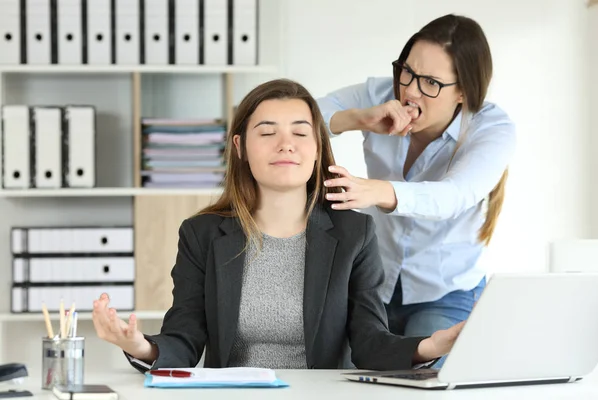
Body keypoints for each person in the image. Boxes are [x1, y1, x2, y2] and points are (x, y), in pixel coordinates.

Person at [91, 78, 465, 371]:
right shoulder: (201, 234)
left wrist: (430, 346)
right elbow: (185, 338)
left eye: (301, 133)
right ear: (240, 147)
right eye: (267, 132)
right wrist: (139, 345)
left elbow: (369, 341)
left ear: (318, 147)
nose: (286, 145)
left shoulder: (355, 233)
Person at [317, 14, 516, 366]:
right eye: (406, 71)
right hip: (373, 286)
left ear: (464, 92)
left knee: (418, 381)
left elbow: (453, 196)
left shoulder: (491, 128)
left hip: (444, 293)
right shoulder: (380, 93)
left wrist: (377, 191)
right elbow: (306, 114)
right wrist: (358, 119)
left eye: (430, 83)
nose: (409, 90)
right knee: (337, 378)